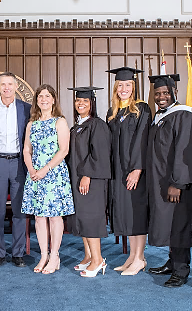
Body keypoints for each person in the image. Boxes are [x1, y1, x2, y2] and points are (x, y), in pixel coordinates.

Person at [145, 74, 192, 288]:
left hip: (178, 184)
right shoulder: (161, 116)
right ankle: (172, 262)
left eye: (166, 93)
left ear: (175, 93)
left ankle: (181, 270)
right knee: (169, 224)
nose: (161, 97)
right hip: (162, 180)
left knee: (180, 225)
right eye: (157, 93)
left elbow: (185, 152)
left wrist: (178, 183)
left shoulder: (184, 116)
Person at [22, 84, 74, 275]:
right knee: (39, 216)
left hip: (53, 174)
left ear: (53, 99)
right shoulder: (31, 124)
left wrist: (45, 169)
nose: (43, 99)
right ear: (36, 101)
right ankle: (43, 255)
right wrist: (31, 168)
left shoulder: (59, 122)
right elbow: (26, 150)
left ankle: (54, 255)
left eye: (47, 96)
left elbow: (64, 150)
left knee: (54, 216)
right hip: (35, 174)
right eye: (40, 97)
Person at [0, 72, 31, 267]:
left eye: (10, 84)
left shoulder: (27, 109)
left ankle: (18, 253)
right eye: (3, 84)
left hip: (19, 163)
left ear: (16, 86)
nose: (7, 87)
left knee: (19, 210)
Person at [106, 66, 152, 276]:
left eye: (128, 85)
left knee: (137, 213)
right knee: (126, 213)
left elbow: (143, 139)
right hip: (118, 170)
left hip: (134, 170)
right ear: (116, 87)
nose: (123, 88)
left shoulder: (141, 109)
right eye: (120, 85)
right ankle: (132, 256)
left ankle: (140, 258)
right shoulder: (113, 112)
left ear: (134, 87)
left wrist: (137, 168)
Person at [66, 87, 112, 277]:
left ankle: (98, 260)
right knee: (82, 218)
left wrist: (88, 175)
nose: (81, 104)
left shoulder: (97, 125)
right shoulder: (76, 126)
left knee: (91, 218)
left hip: (91, 180)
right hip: (78, 178)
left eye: (85, 101)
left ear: (92, 103)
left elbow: (99, 154)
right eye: (78, 101)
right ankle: (88, 256)